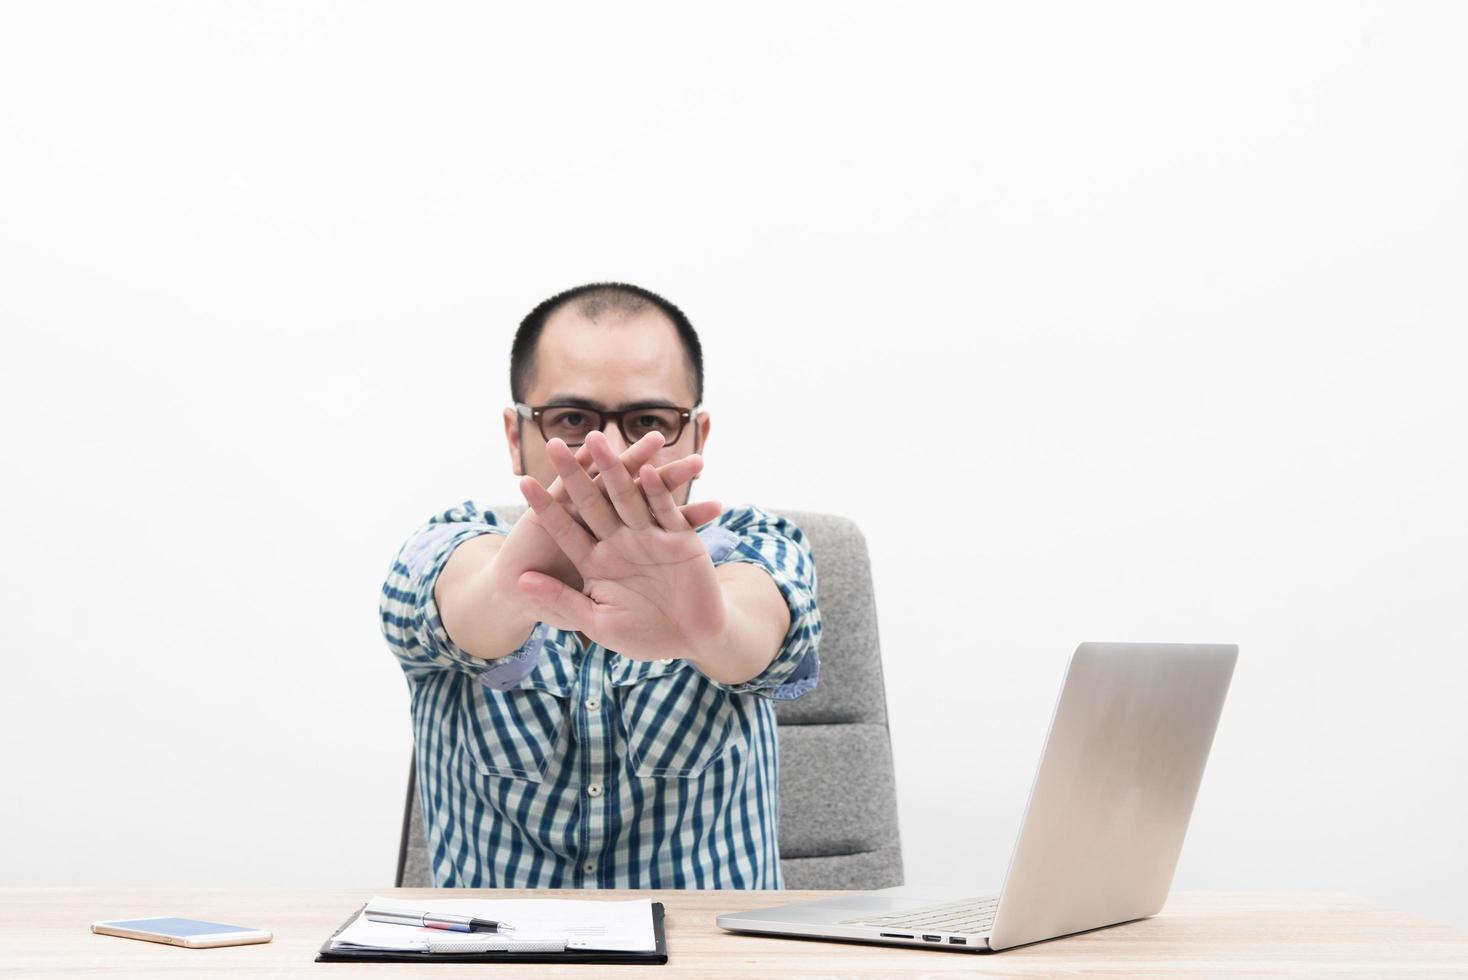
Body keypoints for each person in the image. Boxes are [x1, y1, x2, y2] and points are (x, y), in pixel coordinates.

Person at [379, 282, 821, 888]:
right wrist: (514, 591)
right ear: (517, 436)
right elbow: (454, 598)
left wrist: (708, 628)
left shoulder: (760, 545)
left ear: (697, 435)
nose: (611, 453)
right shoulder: (450, 543)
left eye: (648, 421)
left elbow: (766, 631)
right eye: (572, 420)